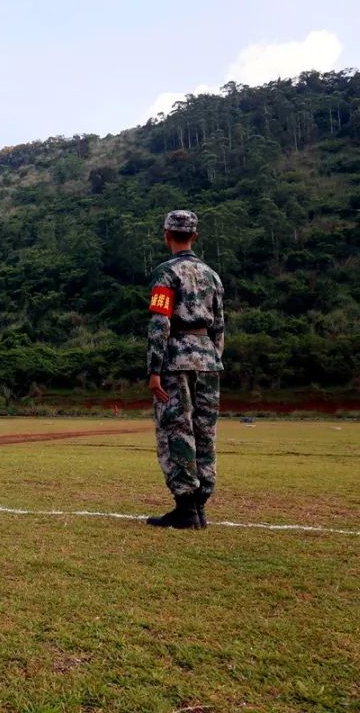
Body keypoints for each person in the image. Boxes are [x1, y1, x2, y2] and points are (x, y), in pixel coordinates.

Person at [145, 210, 224, 529]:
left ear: (166, 235)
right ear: (195, 235)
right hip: (208, 361)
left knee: (176, 429)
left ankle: (186, 507)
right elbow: (219, 326)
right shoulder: (212, 275)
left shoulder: (166, 274)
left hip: (176, 360)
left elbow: (160, 323)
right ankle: (200, 505)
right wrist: (212, 358)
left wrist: (154, 369)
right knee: (205, 431)